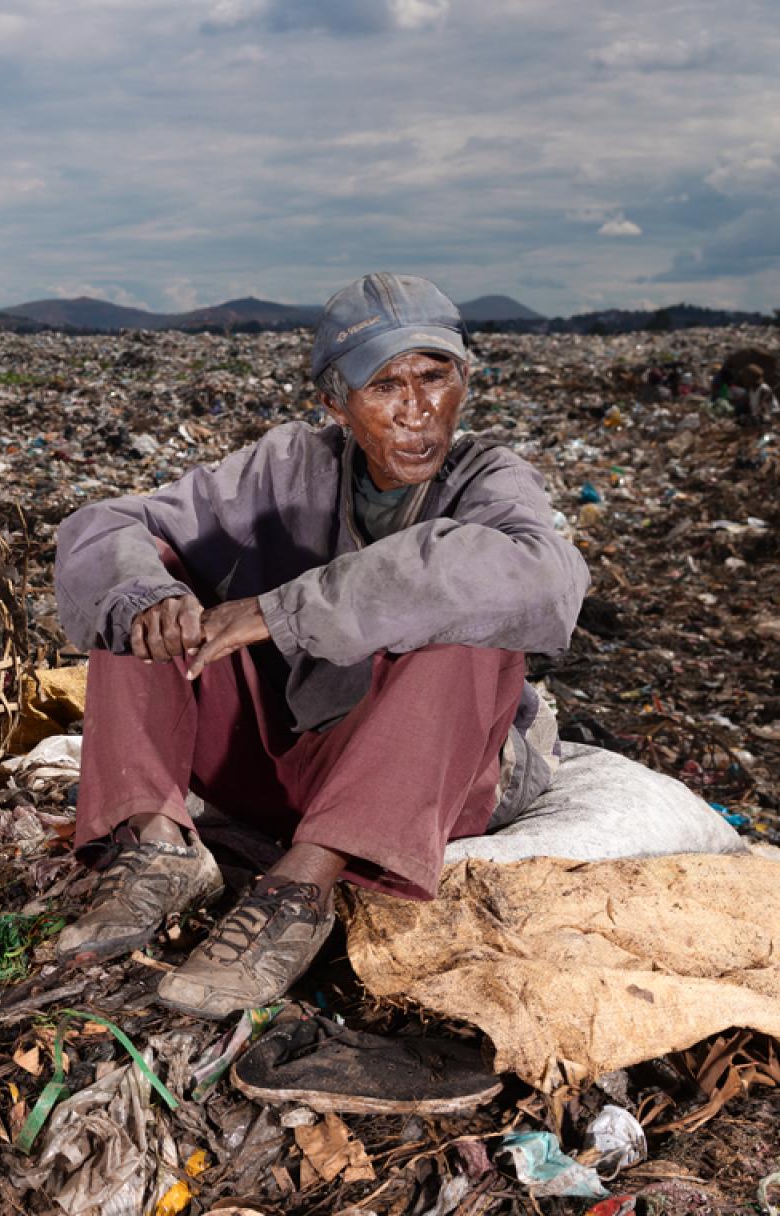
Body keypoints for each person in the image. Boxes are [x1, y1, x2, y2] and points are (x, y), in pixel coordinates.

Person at [52, 273, 588, 1019]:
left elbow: (544, 584)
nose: (417, 411)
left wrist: (281, 611)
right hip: (294, 760)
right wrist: (155, 599)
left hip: (430, 778)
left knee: (469, 621)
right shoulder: (289, 466)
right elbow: (104, 526)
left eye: (436, 377)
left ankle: (301, 889)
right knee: (142, 590)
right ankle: (155, 844)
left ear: (464, 381)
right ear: (336, 404)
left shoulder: (487, 479)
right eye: (385, 387)